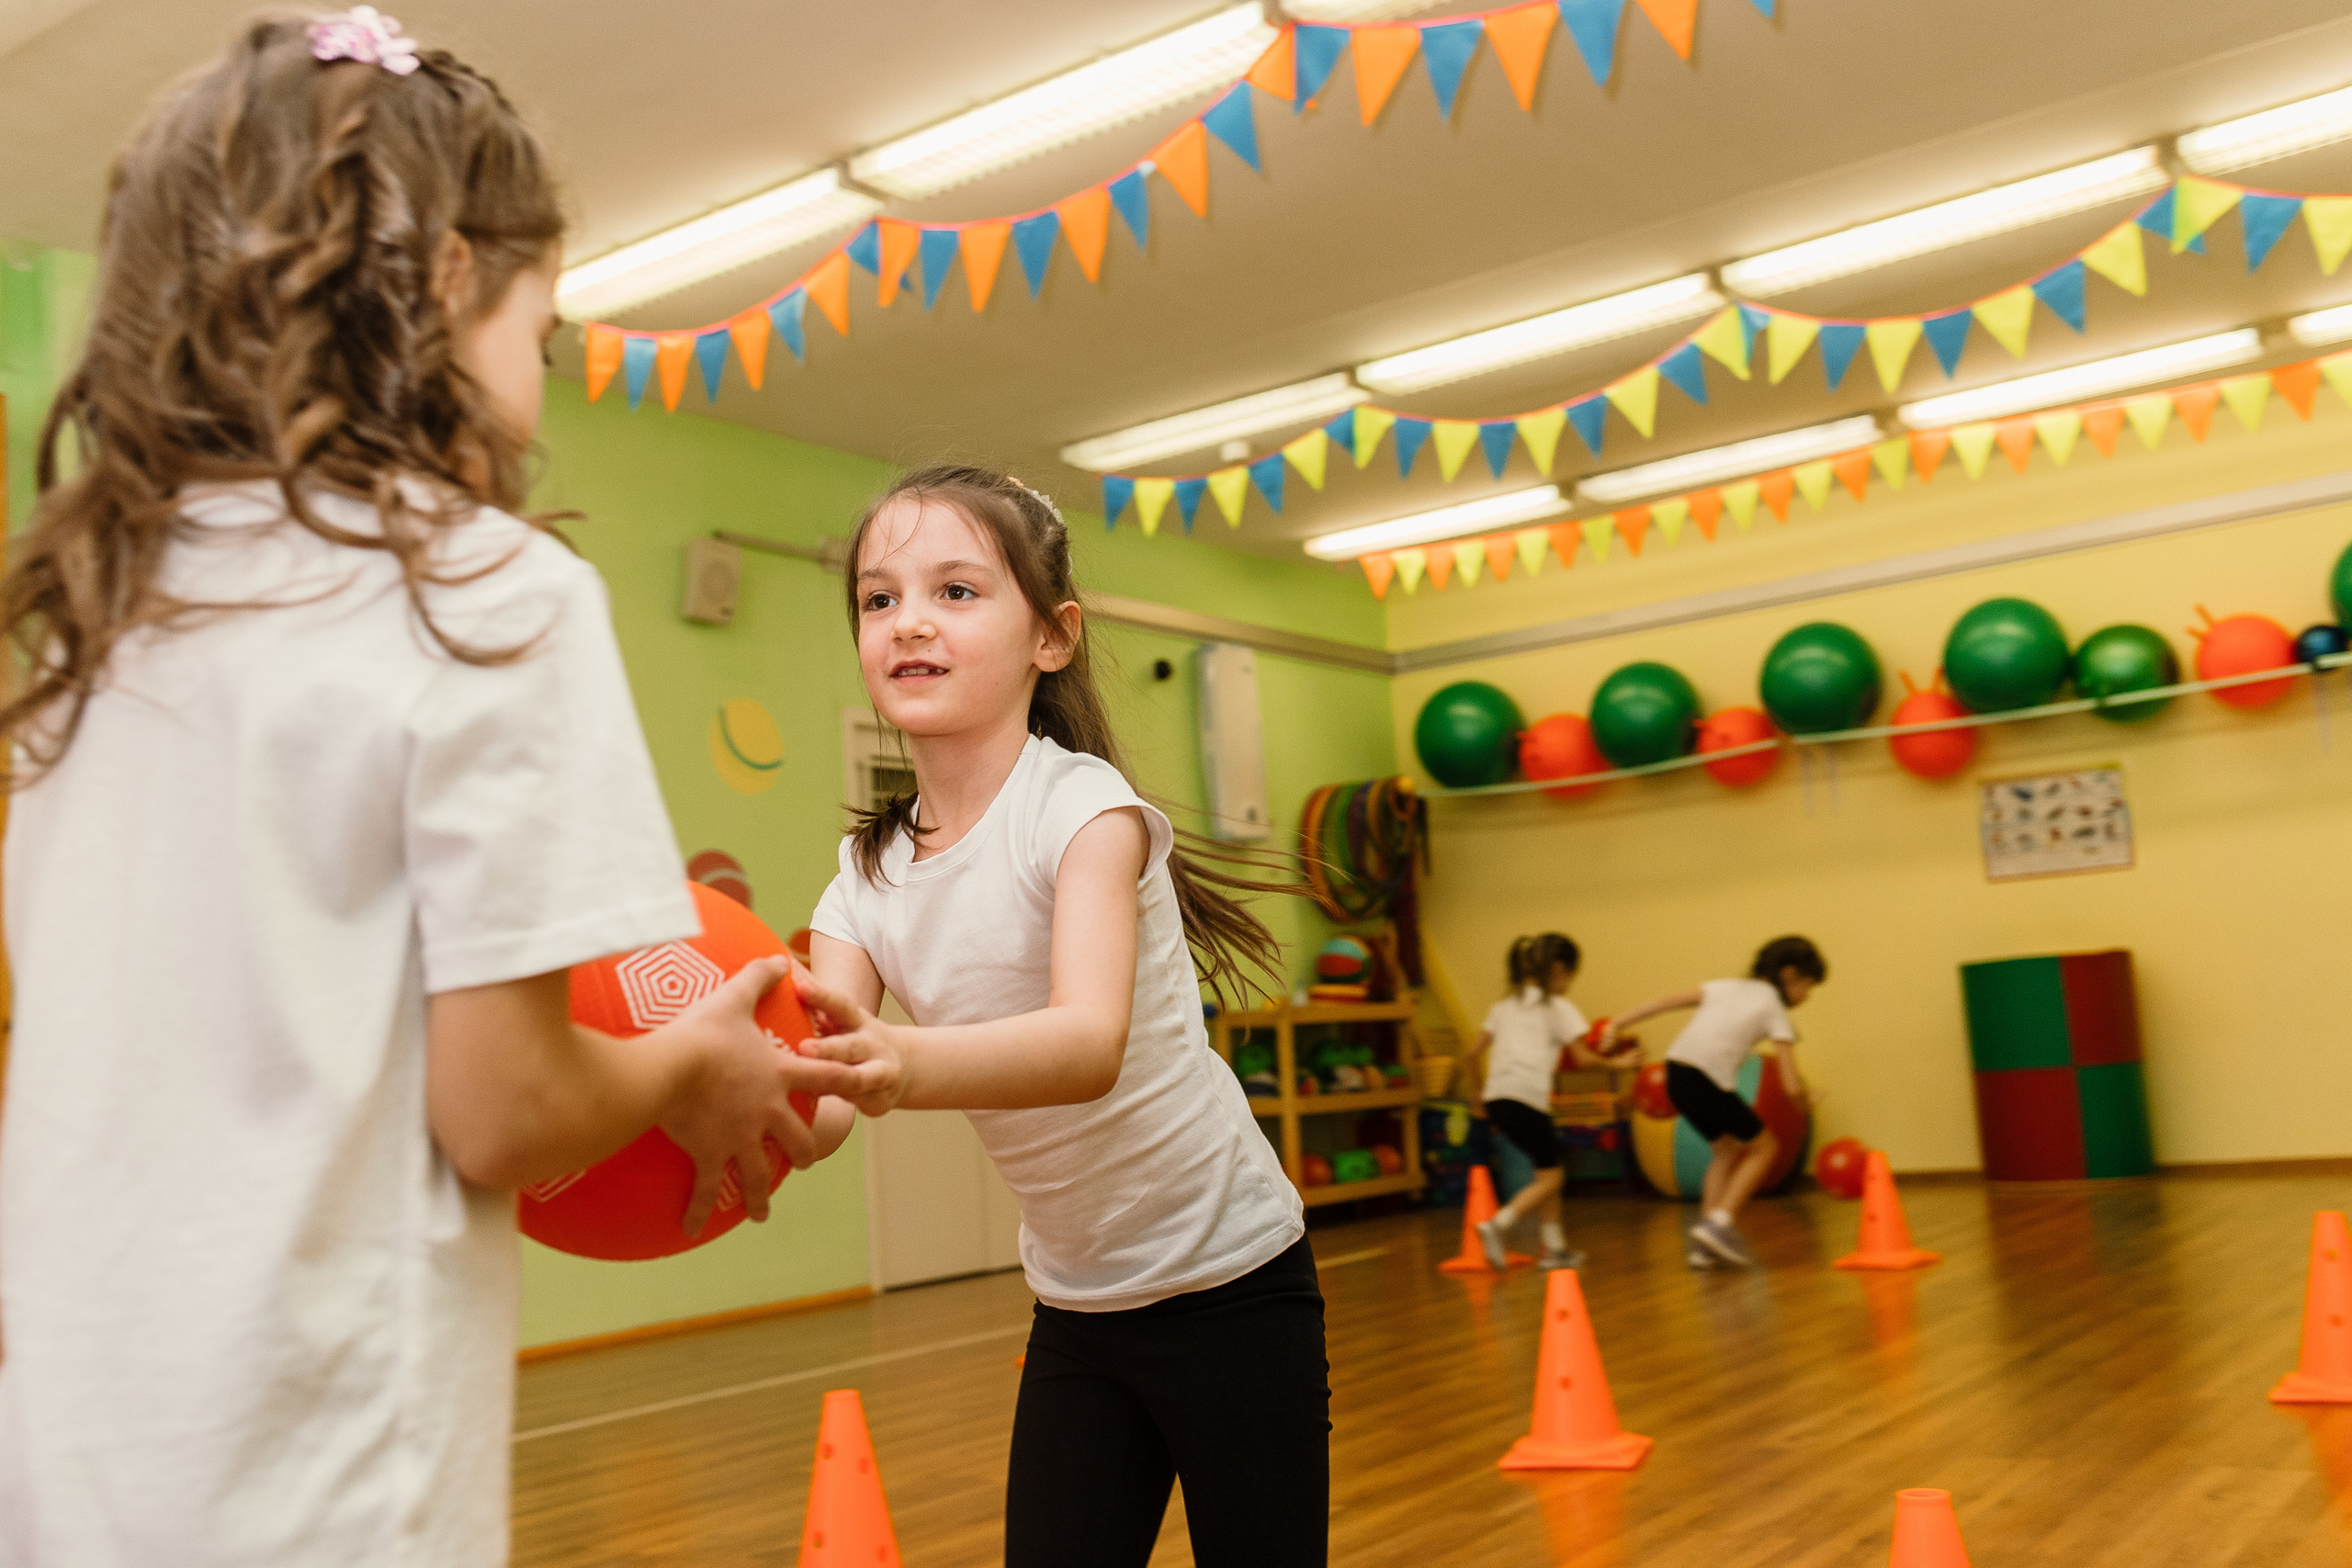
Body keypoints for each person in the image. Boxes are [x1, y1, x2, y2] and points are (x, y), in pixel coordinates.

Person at [0, 17, 859, 1565]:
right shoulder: (485, 589)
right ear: (453, 283)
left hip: (68, 1450)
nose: (545, 367)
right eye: (547, 327)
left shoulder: (98, 617)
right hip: (320, 1470)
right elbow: (507, 1109)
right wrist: (689, 1065)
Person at [796, 466, 1326, 1568]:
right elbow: (826, 1092)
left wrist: (899, 1056)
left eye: (956, 591)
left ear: (1052, 636)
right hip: (1080, 1311)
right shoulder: (863, 879)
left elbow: (1085, 1043)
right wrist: (735, 1127)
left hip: (1233, 1285)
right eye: (879, 599)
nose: (909, 624)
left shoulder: (1082, 808)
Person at [1602, 936, 1823, 1269]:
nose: (1806, 997)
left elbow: (1666, 1001)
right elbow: (1791, 1084)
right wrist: (1806, 1103)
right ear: (1790, 974)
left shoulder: (1727, 987)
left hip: (1675, 1073)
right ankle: (1720, 1223)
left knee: (1724, 1149)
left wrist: (1617, 1023)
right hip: (1706, 1080)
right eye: (1807, 986)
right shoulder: (1775, 1009)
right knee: (1766, 1148)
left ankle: (1705, 1245)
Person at [1471, 933, 1615, 1272]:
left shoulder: (1503, 1007)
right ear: (1559, 969)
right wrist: (1621, 1065)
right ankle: (1499, 1224)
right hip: (1526, 1099)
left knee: (1546, 1169)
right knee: (1553, 1178)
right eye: (1570, 976)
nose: (1569, 985)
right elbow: (1583, 1058)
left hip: (1498, 1097)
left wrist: (1477, 1094)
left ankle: (1554, 1248)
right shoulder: (1558, 1008)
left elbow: (1472, 1053)